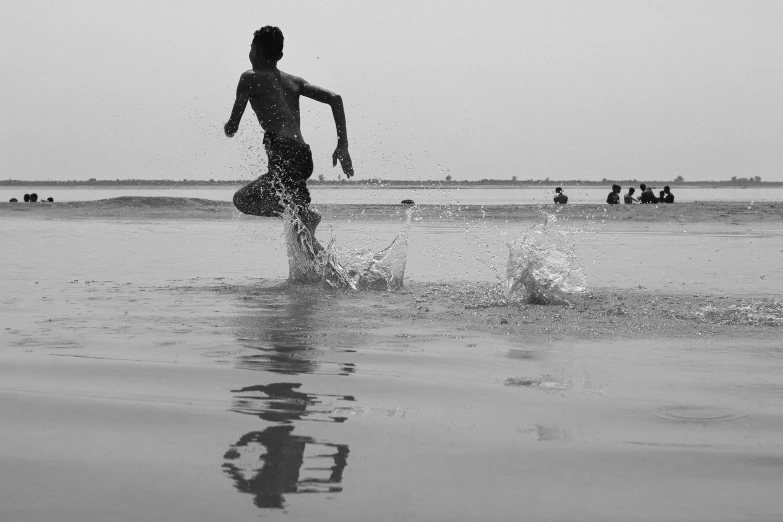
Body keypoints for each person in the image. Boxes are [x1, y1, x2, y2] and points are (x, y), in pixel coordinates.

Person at [225, 26, 354, 239]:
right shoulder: (294, 81)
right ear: (280, 55)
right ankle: (305, 225)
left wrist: (228, 128)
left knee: (243, 200)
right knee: (300, 235)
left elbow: (232, 127)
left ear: (254, 50)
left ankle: (302, 215)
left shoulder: (250, 77)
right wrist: (343, 146)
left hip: (283, 151)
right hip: (303, 155)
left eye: (250, 48)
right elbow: (335, 99)